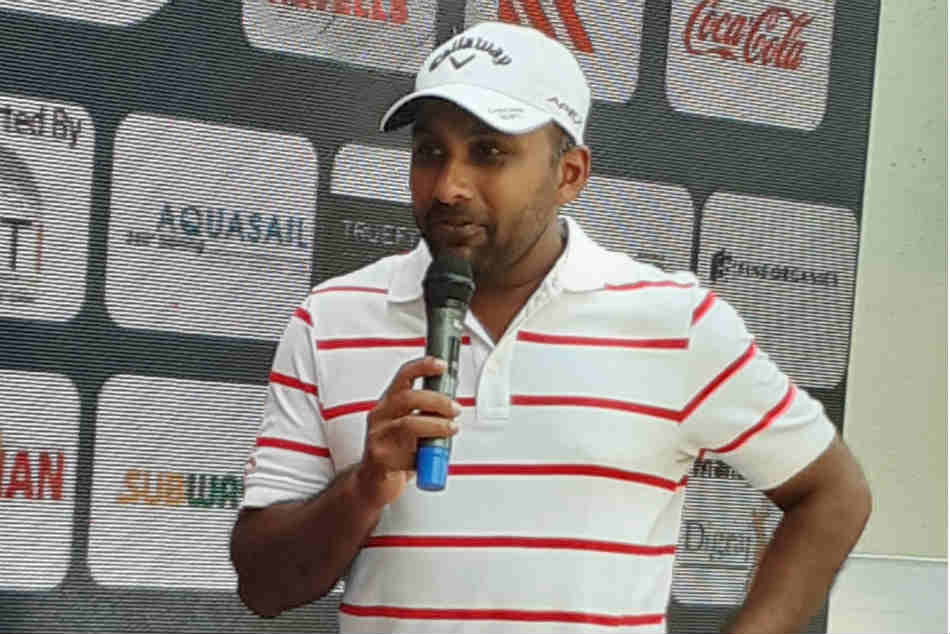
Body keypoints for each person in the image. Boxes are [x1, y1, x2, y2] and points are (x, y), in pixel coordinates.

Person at [230, 21, 871, 634]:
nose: (449, 186)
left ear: (569, 174)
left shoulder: (674, 322)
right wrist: (364, 488)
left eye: (488, 152)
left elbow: (834, 495)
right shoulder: (332, 318)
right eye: (430, 152)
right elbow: (264, 587)